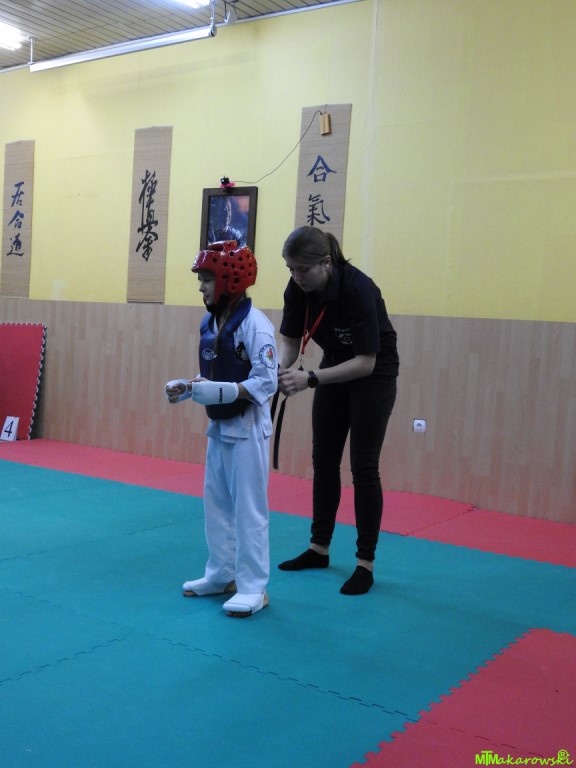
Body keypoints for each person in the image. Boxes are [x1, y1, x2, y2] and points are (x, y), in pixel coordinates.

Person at [276, 226, 399, 595]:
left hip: (373, 372)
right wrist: (277, 372)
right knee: (324, 459)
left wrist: (311, 379)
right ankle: (319, 548)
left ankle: (365, 563)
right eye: (291, 269)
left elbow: (365, 362)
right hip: (333, 364)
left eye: (303, 269)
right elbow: (290, 342)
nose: (297, 276)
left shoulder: (360, 289)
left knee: (364, 466)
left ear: (327, 263)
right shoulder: (297, 288)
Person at [166, 240, 277, 617]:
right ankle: (221, 574)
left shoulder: (256, 325)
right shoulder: (210, 323)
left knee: (249, 510)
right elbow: (215, 376)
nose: (201, 287)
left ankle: (254, 588)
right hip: (219, 426)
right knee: (216, 506)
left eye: (207, 279)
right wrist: (189, 388)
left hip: (247, 427)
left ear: (230, 280)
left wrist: (223, 391)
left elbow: (266, 382)